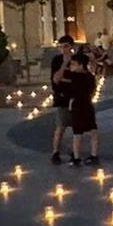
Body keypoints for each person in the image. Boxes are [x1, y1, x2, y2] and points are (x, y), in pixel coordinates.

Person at [54, 50, 100, 165]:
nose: (71, 67)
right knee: (93, 131)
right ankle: (94, 155)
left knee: (77, 133)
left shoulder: (74, 76)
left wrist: (64, 63)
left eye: (73, 64)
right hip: (88, 105)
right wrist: (93, 60)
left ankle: (76, 158)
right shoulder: (89, 76)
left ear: (80, 65)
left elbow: (56, 79)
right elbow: (94, 70)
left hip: (77, 107)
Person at [48, 35, 77, 164]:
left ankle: (74, 152)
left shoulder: (77, 60)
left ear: (71, 47)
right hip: (62, 97)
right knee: (61, 126)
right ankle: (56, 152)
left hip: (75, 97)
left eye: (66, 46)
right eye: (60, 47)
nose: (63, 49)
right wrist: (65, 63)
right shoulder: (57, 60)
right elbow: (56, 79)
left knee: (76, 128)